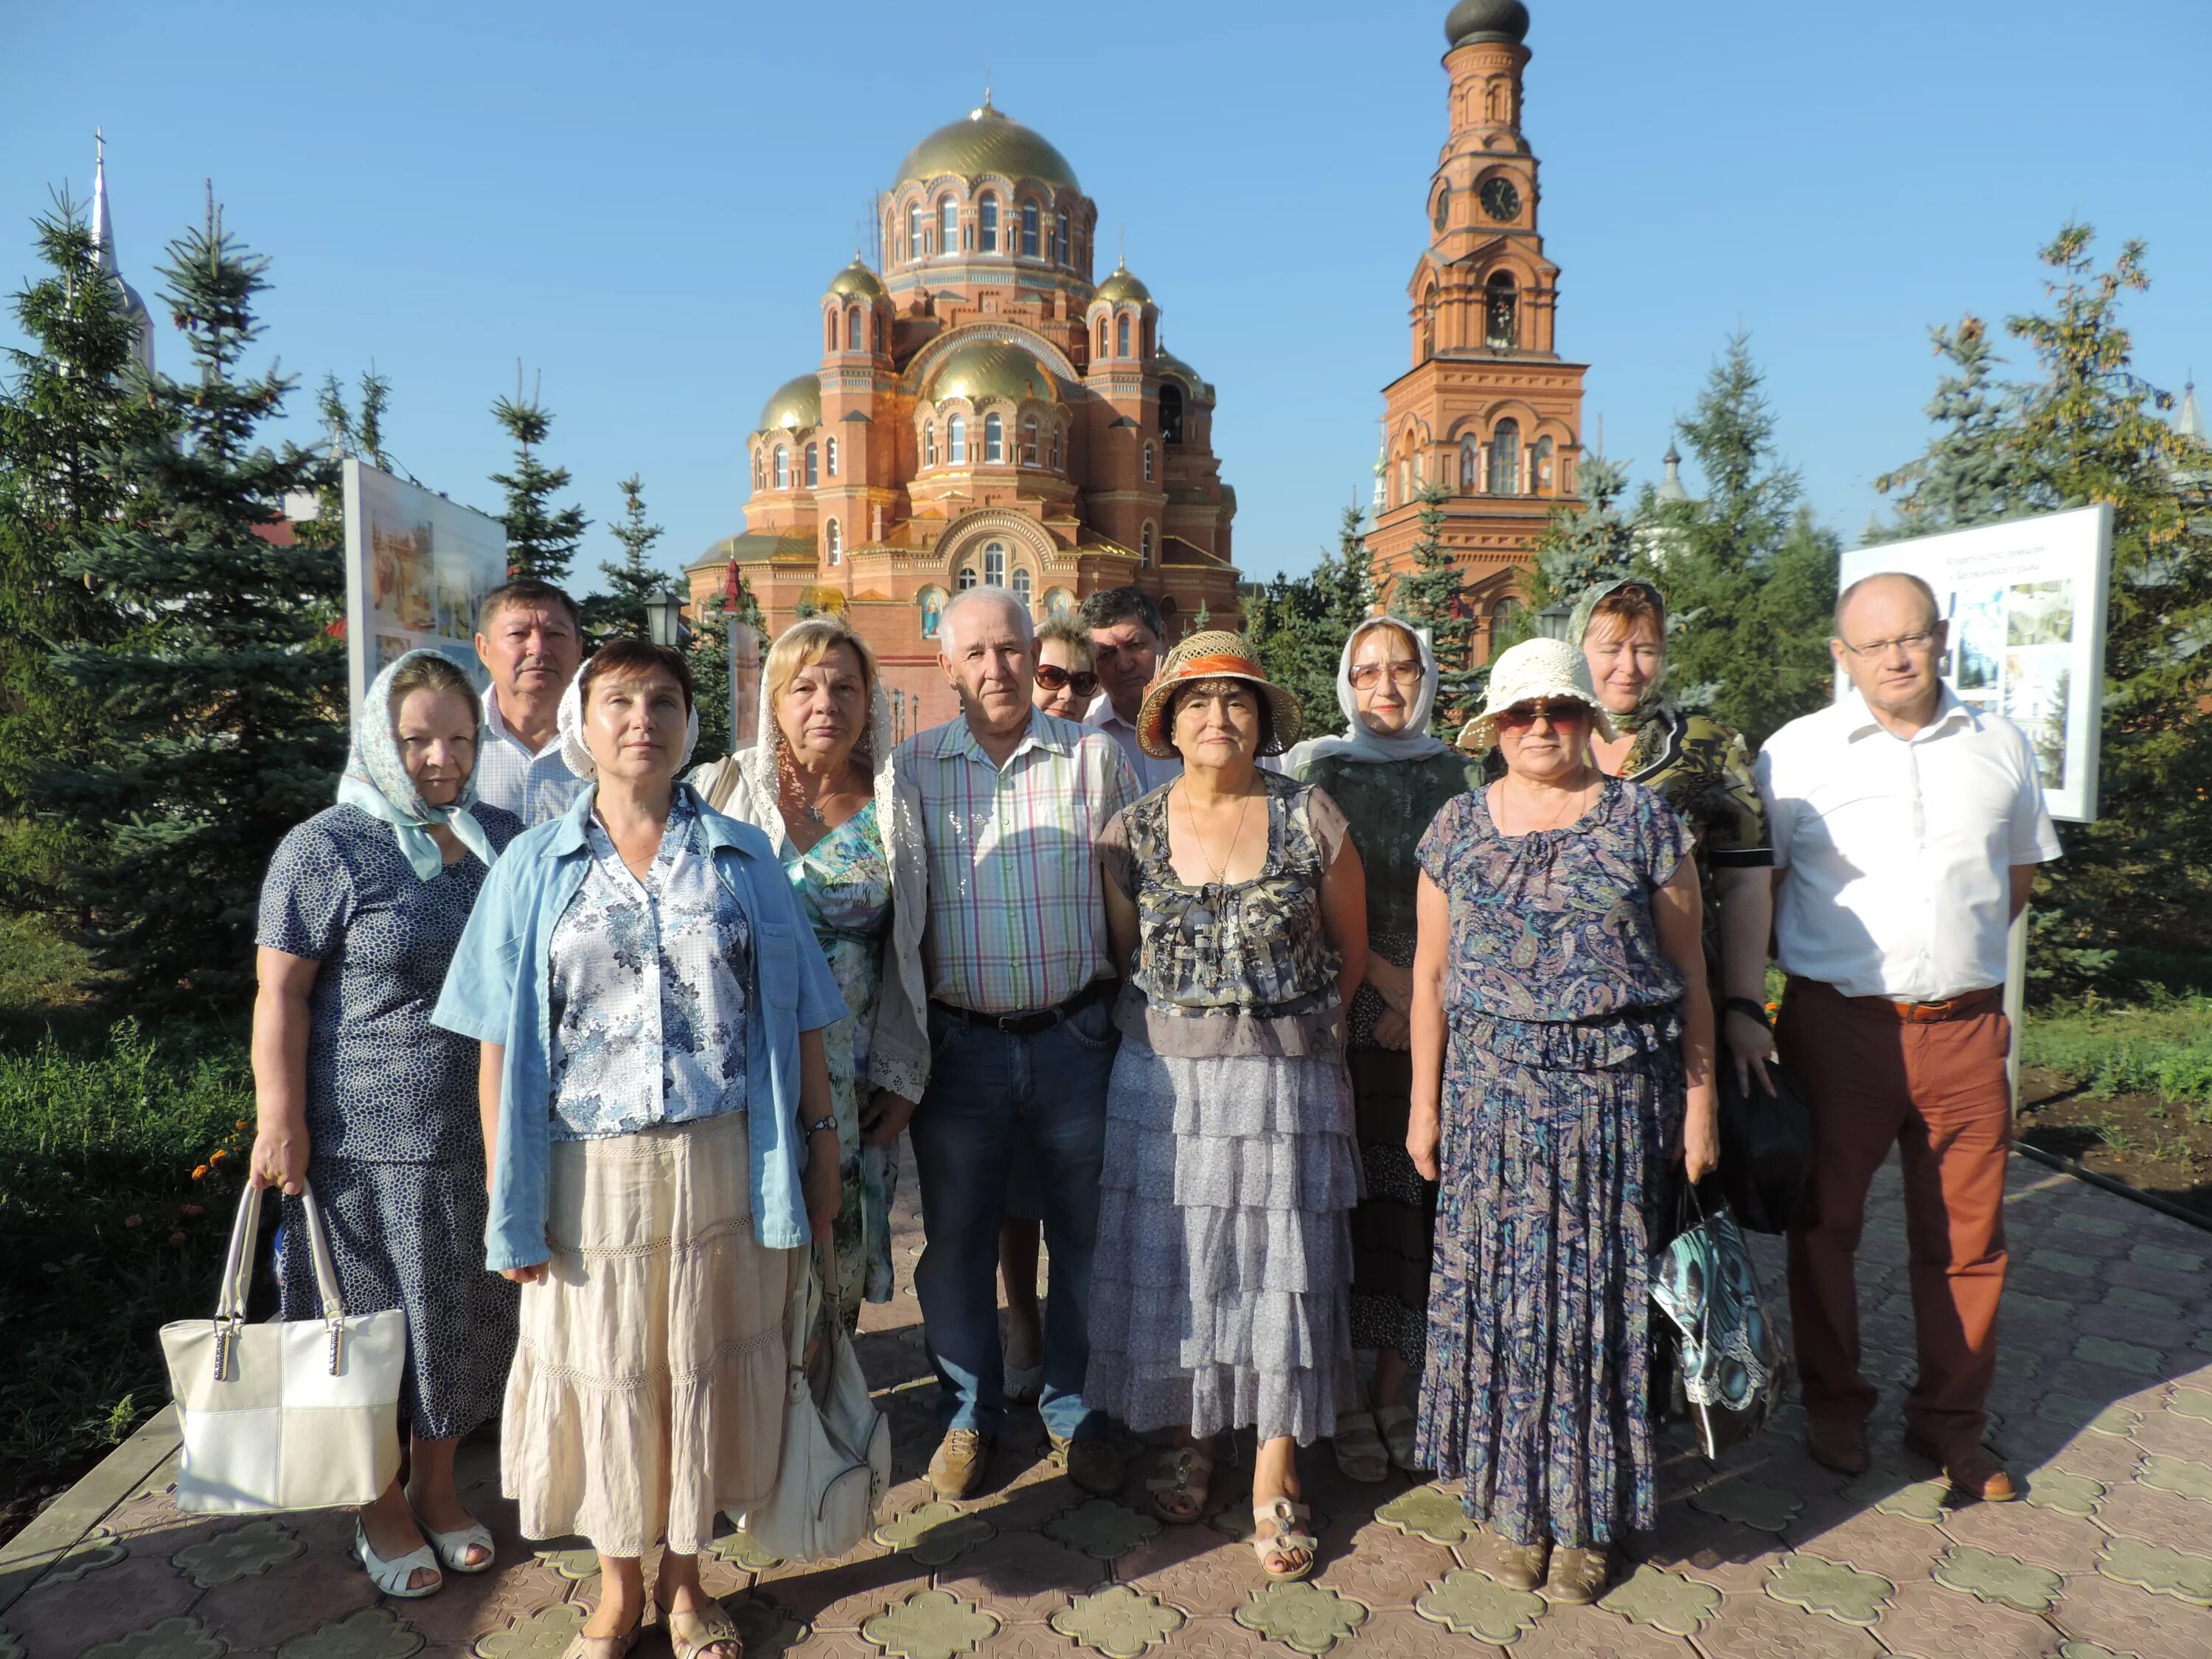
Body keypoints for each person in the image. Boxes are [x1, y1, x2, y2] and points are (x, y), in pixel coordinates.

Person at [433, 639, 844, 1659]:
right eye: (618, 700)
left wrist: (822, 1150)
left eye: (663, 700)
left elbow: (801, 1022)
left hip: (723, 1164)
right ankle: (618, 1592)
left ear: (687, 723)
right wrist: (507, 1196)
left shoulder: (743, 857)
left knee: (697, 1369)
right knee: (609, 1372)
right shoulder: (532, 865)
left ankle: (689, 1583)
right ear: (587, 721)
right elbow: (495, 1049)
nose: (641, 720)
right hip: (587, 1176)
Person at [1409, 638, 1717, 1605]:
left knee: (1593, 1313)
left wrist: (1702, 1105)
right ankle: (1514, 1500)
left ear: (1590, 718)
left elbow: (1691, 975)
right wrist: (1424, 1103)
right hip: (1490, 1105)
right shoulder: (1456, 827)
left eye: (1562, 710)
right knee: (1505, 1307)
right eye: (1520, 713)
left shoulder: (1646, 823)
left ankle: (1585, 1515)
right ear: (1493, 728)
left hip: (1612, 1108)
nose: (1542, 727)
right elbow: (1427, 978)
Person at [1756, 571, 2060, 1503]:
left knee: (1968, 1240)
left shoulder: (1998, 744)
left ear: (1942, 636)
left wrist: (1950, 974)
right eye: (1873, 643)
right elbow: (1757, 894)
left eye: (1913, 637)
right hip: (1839, 1029)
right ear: (1841, 657)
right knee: (1825, 1229)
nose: (1896, 657)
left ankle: (1951, 1425)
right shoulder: (1794, 755)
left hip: (1966, 1033)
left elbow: (2015, 880)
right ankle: (1836, 1403)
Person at [1087, 631, 1368, 1584]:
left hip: (1284, 1084)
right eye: (1199, 702)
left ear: (1262, 719)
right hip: (1165, 1086)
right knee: (1188, 1266)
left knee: (1280, 1267)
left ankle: (1275, 1468)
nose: (1219, 718)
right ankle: (1194, 1432)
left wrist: (1290, 1040)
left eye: (1238, 702)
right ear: (1166, 721)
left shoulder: (1310, 817)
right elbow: (1129, 955)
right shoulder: (1129, 831)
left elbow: (1349, 950)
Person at [251, 650, 525, 1598]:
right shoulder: (325, 847)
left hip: (480, 1136)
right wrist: (278, 1117)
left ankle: (440, 1490)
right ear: (380, 738)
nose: (440, 758)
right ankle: (377, 1502)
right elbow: (279, 994)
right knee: (367, 1330)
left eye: (457, 738)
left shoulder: (499, 834)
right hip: (359, 1148)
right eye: (417, 740)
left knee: (461, 1324)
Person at [890, 587, 1138, 1502]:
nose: (997, 669)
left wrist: (1122, 1014)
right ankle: (969, 1411)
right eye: (977, 654)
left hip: (1076, 1037)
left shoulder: (1092, 760)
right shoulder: (913, 769)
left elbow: (1122, 900)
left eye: (1012, 649)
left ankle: (1072, 1405)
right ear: (946, 664)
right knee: (955, 1240)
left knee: (1084, 1235)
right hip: (962, 1050)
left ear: (1038, 656)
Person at [688, 617, 930, 1329]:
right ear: (774, 702)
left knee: (837, 1247)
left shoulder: (895, 802)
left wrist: (907, 1075)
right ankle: (762, 1417)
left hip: (852, 1075)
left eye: (845, 687)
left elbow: (917, 945)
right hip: (746, 1070)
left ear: (869, 702)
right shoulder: (719, 791)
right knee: (745, 1247)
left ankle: (833, 1411)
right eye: (805, 687)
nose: (826, 703)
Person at [1286, 617, 1480, 1481]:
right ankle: (1345, 1387)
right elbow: (1300, 901)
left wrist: (1423, 1001)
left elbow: (1479, 896)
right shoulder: (1315, 771)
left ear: (1429, 677)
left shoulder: (1463, 777)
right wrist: (1386, 990)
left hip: (1439, 1025)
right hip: (1342, 1017)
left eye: (1404, 670)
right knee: (1340, 1203)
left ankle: (1397, 1383)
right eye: (1367, 673)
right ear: (1345, 683)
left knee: (1417, 1205)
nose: (1387, 688)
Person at [1573, 578, 1777, 1094]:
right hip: (1559, 1013)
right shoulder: (1538, 737)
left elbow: (1746, 883)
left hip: (1682, 1009)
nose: (1628, 667)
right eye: (1610, 649)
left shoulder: (1707, 745)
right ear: (1578, 648)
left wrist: (1747, 1004)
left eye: (1644, 649)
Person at [1000, 610, 1105, 1405]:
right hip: (987, 1026)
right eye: (1051, 677)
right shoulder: (943, 762)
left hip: (1079, 1020)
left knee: (1076, 1207)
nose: (1065, 693)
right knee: (1008, 1200)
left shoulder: (1098, 761)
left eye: (1082, 680)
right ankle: (1019, 1327)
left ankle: (1075, 1392)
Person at [472, 579, 588, 824]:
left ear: (578, 649)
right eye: (518, 634)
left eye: (555, 634)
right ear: (484, 649)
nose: (538, 648)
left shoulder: (603, 745)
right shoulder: (455, 741)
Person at [1082, 585, 1183, 793]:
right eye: (1106, 654)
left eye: (1135, 645)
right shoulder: (1084, 732)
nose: (1124, 665)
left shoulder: (1209, 724)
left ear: (1162, 637)